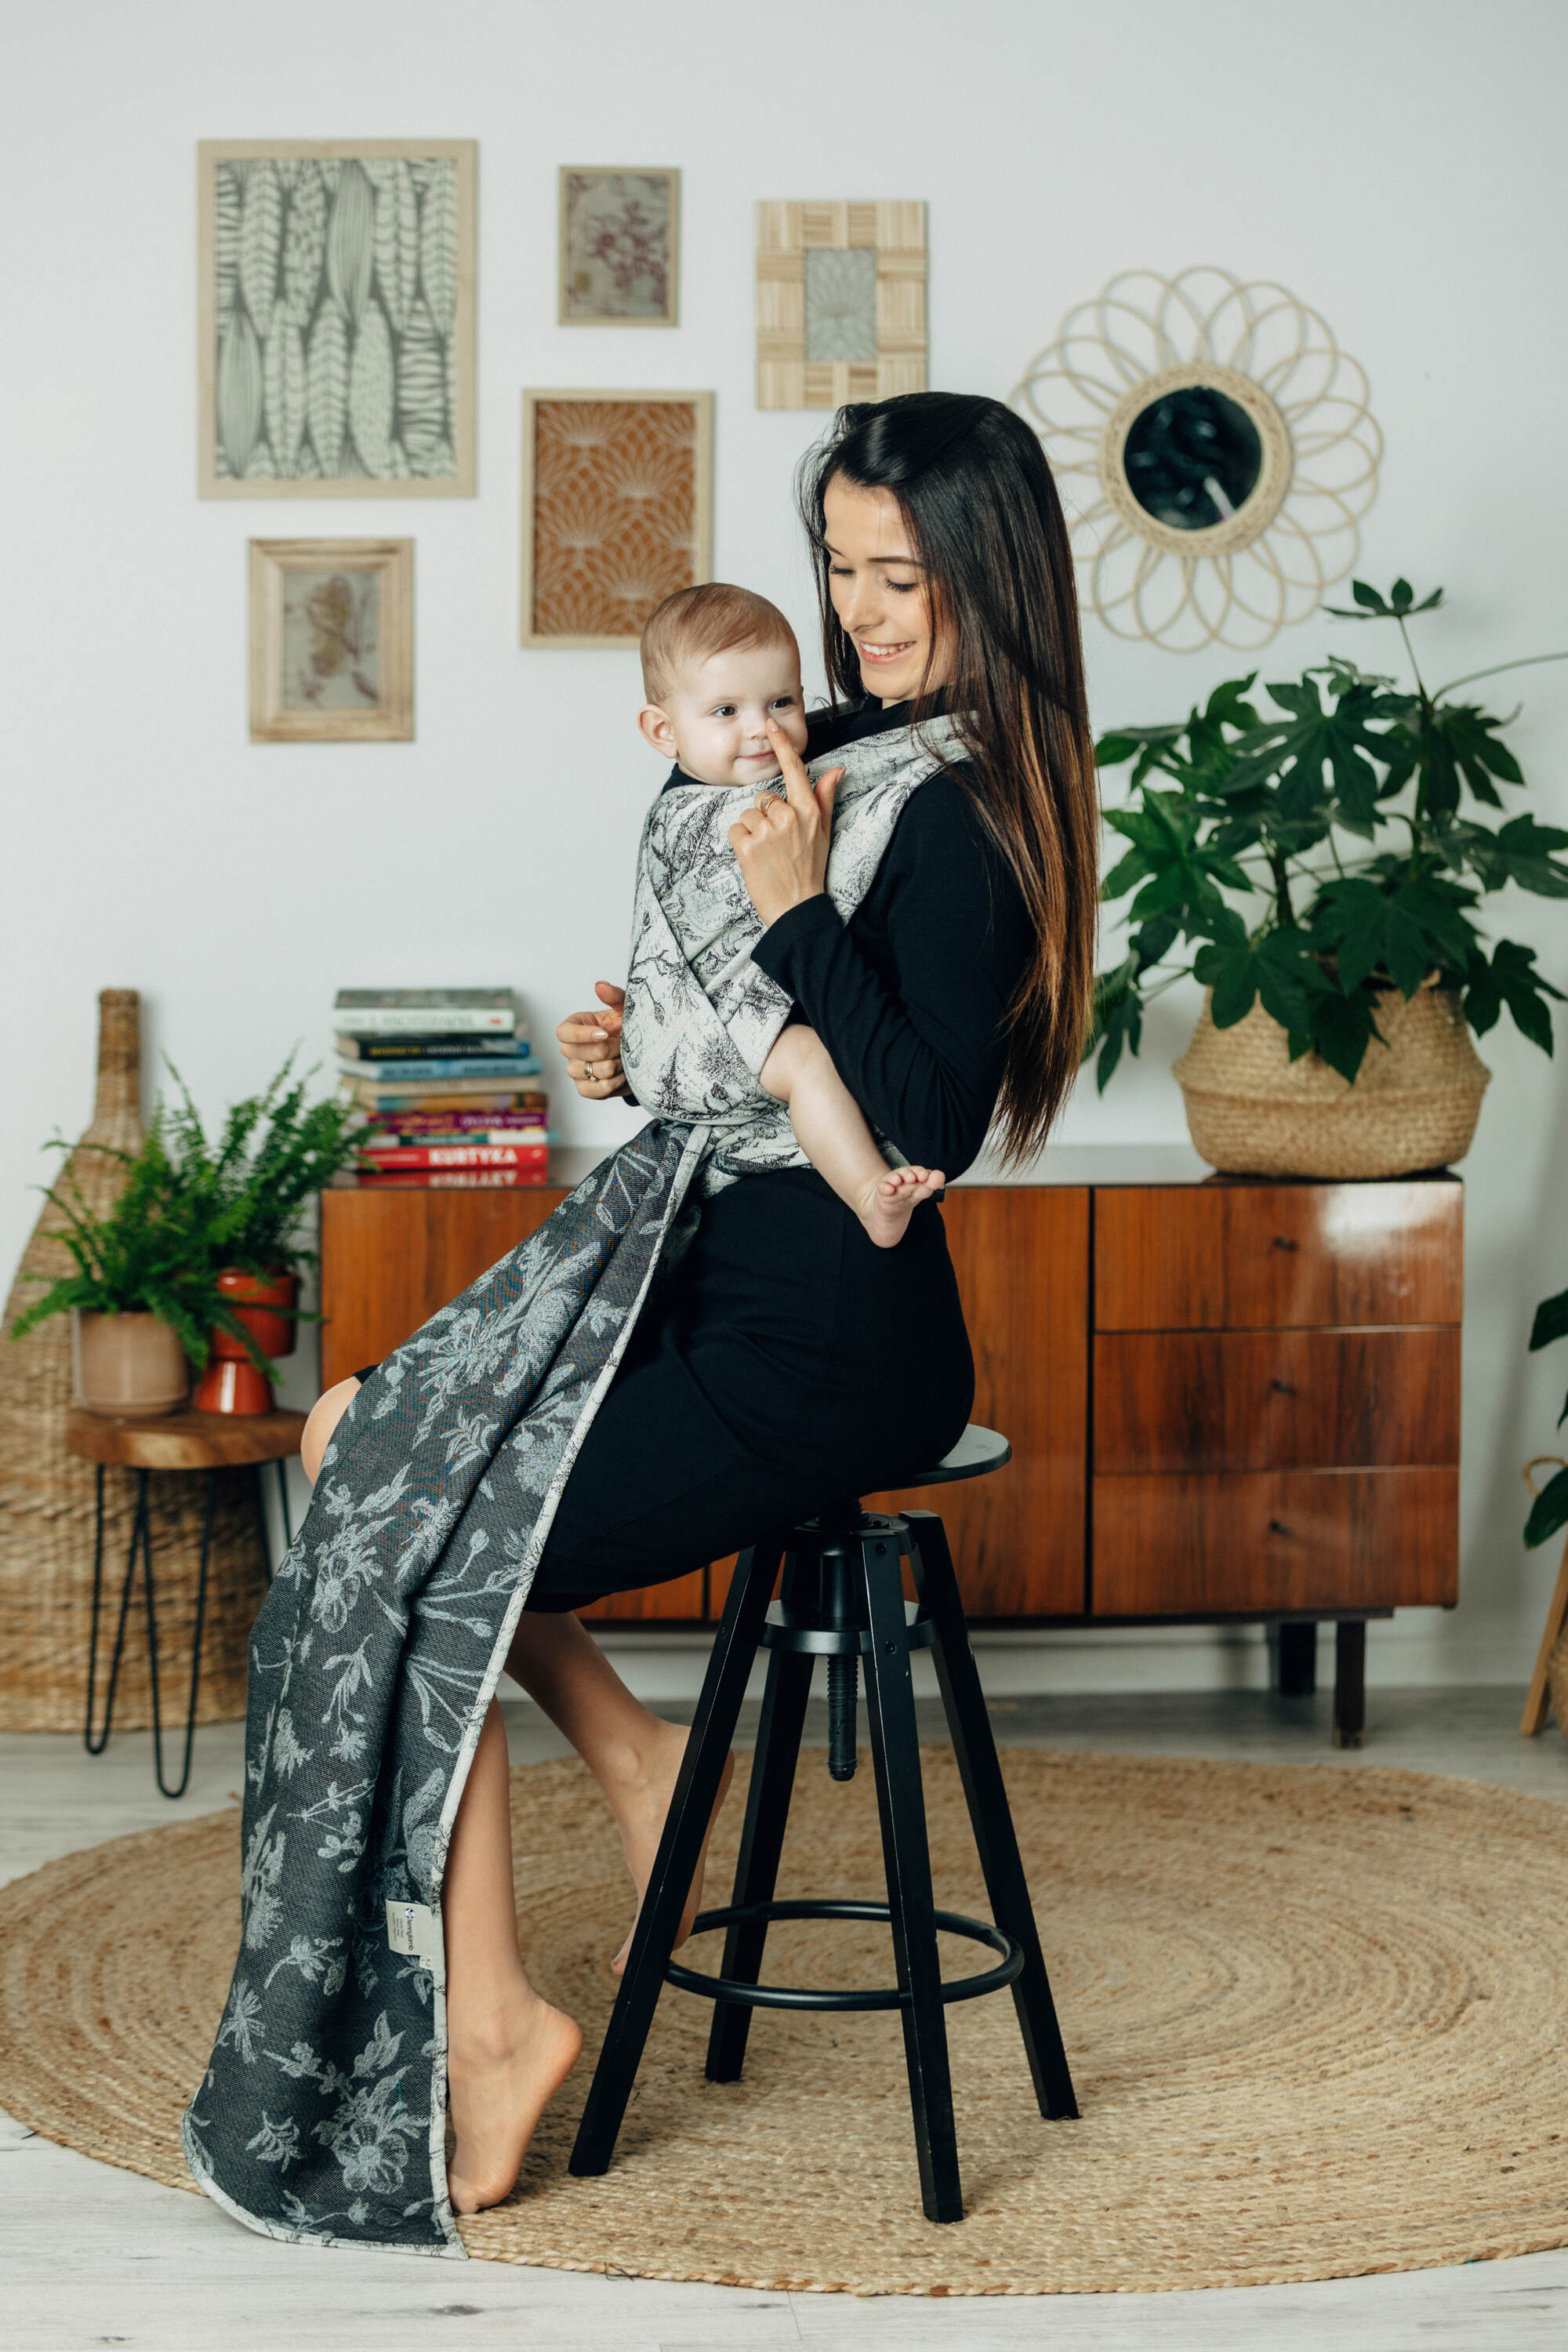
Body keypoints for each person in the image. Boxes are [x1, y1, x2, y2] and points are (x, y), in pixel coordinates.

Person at [295, 389, 1099, 2221]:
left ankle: (494, 2024)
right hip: (704, 1275)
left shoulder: (969, 805)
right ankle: (632, 1741)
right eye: (839, 565)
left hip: (830, 1338)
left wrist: (799, 905)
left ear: (991, 572)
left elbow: (918, 1123)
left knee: (408, 1520)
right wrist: (646, 1042)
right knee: (349, 1428)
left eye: (901, 573)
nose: (863, 609)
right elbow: (748, 1032)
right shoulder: (835, 742)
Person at [634, 578, 947, 1247]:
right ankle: (869, 1193)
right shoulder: (686, 818)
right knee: (807, 1060)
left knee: (808, 1058)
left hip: (708, 1057)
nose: (763, 728)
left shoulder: (811, 771)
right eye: (726, 711)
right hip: (690, 1039)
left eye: (782, 700)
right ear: (664, 730)